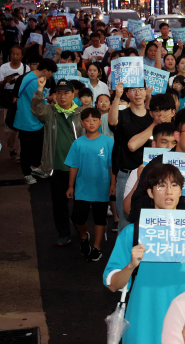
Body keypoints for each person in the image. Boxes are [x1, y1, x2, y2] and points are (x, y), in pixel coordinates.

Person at [103, 164, 185, 344]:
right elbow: (113, 285)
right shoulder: (132, 233)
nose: (169, 191)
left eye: (174, 185)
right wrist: (130, 266)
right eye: (161, 185)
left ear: (181, 191)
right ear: (150, 193)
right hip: (143, 321)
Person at [31, 78, 84, 246]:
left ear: (73, 94)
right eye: (59, 93)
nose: (62, 97)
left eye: (66, 93)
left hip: (79, 168)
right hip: (56, 168)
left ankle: (81, 230)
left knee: (81, 203)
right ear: (54, 95)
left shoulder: (82, 113)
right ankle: (63, 233)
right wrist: (39, 89)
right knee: (59, 204)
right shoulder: (50, 112)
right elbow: (36, 109)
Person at [65, 108, 115, 261]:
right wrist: (70, 186)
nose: (91, 123)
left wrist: (113, 183)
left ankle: (97, 247)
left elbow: (112, 166)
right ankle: (83, 237)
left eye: (94, 120)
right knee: (78, 217)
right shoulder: (78, 143)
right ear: (82, 123)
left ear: (100, 122)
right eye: (87, 120)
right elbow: (74, 166)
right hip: (82, 187)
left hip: (102, 186)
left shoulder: (108, 142)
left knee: (100, 217)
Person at [108, 83, 154, 231]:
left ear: (146, 92)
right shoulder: (122, 115)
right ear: (127, 94)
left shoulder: (153, 117)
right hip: (126, 175)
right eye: (133, 90)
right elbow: (112, 121)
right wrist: (116, 96)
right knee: (125, 223)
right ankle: (124, 253)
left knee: (147, 221)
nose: (137, 94)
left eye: (140, 90)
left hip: (149, 175)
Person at [13, 58, 58, 184]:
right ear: (45, 70)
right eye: (51, 73)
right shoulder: (34, 82)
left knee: (35, 147)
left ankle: (33, 168)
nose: (51, 76)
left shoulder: (31, 76)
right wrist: (48, 102)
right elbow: (38, 102)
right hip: (28, 120)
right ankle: (27, 173)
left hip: (32, 120)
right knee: (27, 148)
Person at [122, 122, 176, 215]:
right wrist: (140, 178)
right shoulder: (138, 172)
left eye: (174, 143)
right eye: (164, 142)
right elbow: (128, 209)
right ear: (154, 144)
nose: (169, 147)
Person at [0, 45, 29, 160]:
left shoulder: (26, 68)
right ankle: (11, 147)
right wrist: (5, 81)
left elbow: (29, 84)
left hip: (21, 99)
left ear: (22, 56)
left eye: (17, 54)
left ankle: (20, 153)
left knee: (22, 127)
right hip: (8, 99)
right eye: (13, 54)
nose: (15, 56)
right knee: (9, 128)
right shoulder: (4, 67)